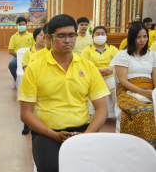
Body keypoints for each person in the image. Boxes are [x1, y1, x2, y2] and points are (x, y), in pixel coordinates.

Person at [19, 14, 109, 171]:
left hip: (82, 131)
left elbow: (102, 109)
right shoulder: (34, 68)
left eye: (71, 35)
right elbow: (26, 114)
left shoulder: (87, 67)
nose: (68, 40)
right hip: (46, 132)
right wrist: (52, 134)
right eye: (61, 36)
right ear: (49, 38)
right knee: (51, 167)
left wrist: (87, 134)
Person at [110, 22, 156, 149]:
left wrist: (153, 92)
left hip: (149, 90)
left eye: (145, 36)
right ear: (132, 38)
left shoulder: (152, 55)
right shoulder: (122, 55)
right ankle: (140, 149)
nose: (142, 40)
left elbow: (155, 79)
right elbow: (123, 81)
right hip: (127, 91)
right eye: (138, 37)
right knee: (144, 111)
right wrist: (143, 92)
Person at [81, 26, 118, 109]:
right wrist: (97, 71)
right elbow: (83, 65)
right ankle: (90, 116)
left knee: (115, 88)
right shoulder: (87, 50)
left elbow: (119, 64)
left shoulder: (113, 49)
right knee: (89, 89)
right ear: (92, 37)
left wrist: (112, 70)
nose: (100, 36)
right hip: (94, 76)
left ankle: (118, 115)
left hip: (110, 76)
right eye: (97, 34)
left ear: (106, 36)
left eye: (103, 34)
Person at [8, 17, 34, 81]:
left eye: (23, 24)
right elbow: (10, 51)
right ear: (17, 26)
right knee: (11, 65)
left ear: (26, 25)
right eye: (20, 25)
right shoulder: (13, 37)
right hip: (17, 57)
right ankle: (17, 80)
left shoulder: (31, 36)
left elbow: (35, 48)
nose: (22, 26)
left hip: (30, 57)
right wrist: (19, 56)